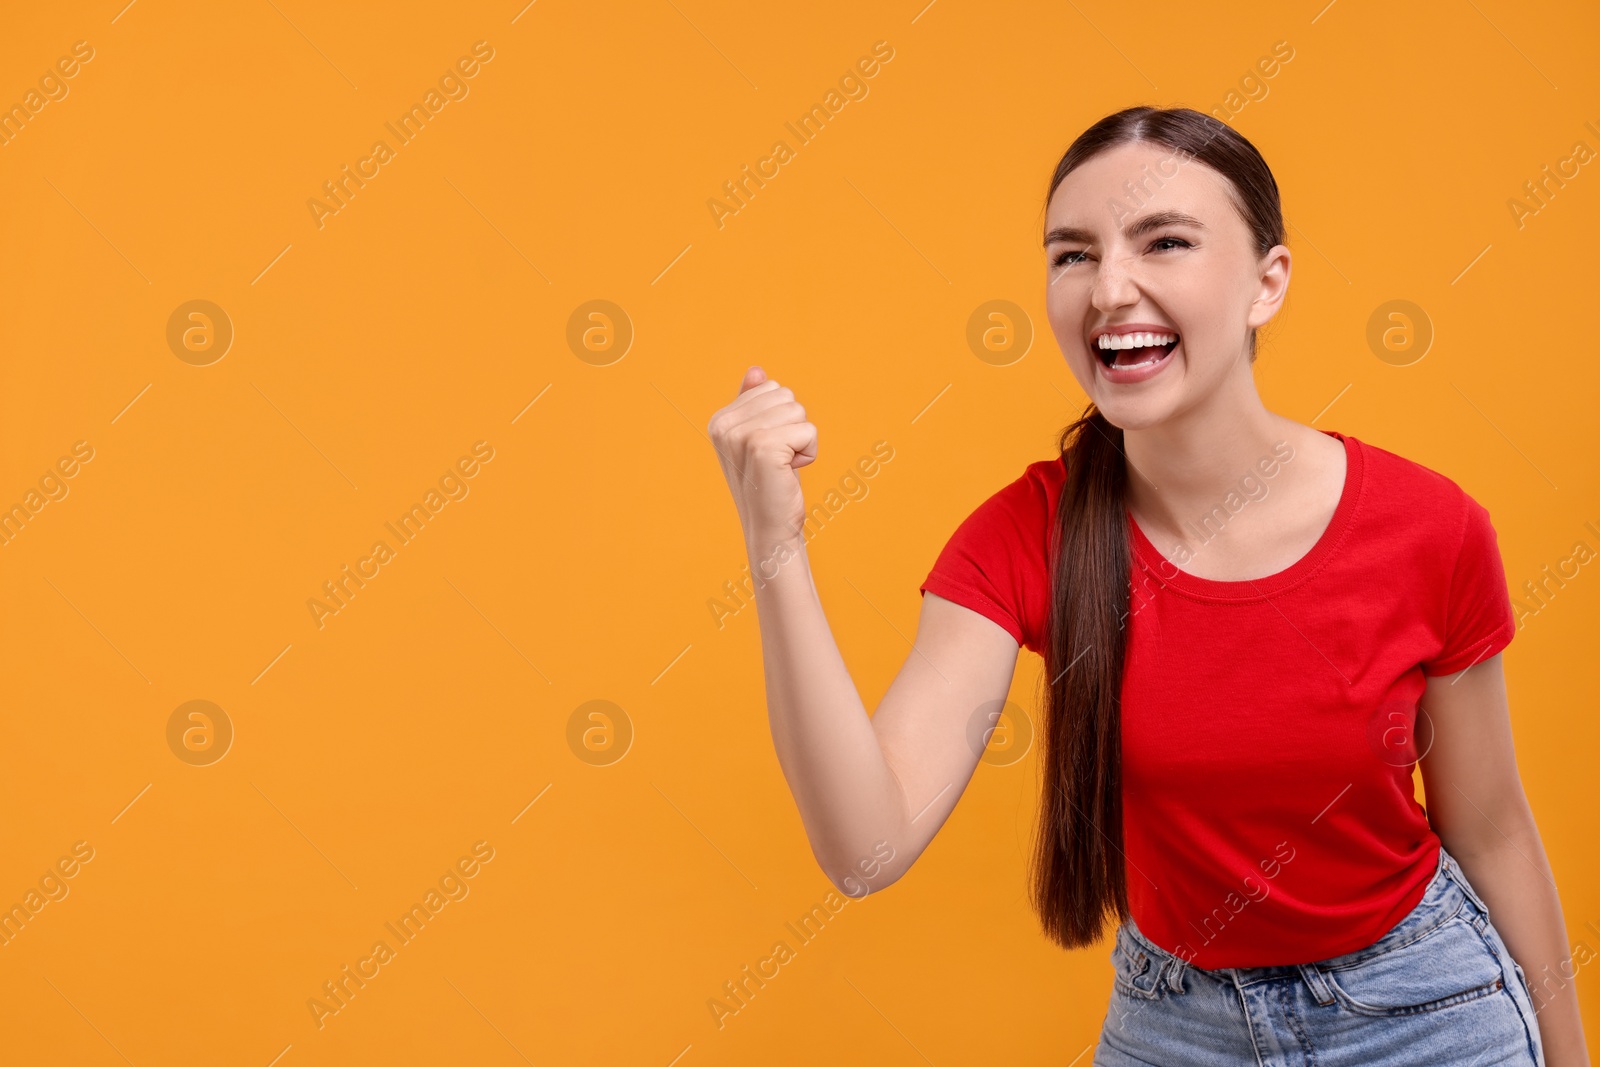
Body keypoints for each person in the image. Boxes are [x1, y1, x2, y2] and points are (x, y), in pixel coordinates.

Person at [705, 105, 1588, 1065]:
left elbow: (1492, 826)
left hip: (1426, 1010)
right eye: (1072, 255)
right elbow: (865, 848)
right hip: (1179, 1026)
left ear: (1266, 282)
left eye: (1164, 242)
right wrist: (775, 545)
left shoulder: (1429, 527)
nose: (1110, 288)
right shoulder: (1023, 538)